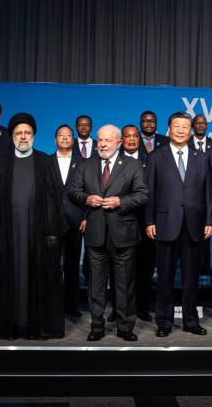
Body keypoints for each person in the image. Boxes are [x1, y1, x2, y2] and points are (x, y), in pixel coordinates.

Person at [0, 112, 67, 339]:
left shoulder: (45, 161)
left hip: (37, 234)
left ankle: (36, 326)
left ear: (34, 135)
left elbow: (54, 199)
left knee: (39, 277)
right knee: (5, 276)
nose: (23, 137)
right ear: (12, 136)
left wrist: (52, 231)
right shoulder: (2, 161)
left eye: (27, 133)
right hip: (7, 232)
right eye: (19, 133)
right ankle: (9, 324)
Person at [69, 124, 149, 341]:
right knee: (96, 286)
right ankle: (97, 327)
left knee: (124, 286)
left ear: (119, 142)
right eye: (99, 140)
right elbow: (72, 191)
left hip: (123, 235)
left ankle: (125, 328)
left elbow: (143, 194)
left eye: (107, 140)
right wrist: (86, 199)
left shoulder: (132, 165)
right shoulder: (86, 165)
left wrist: (120, 202)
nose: (102, 144)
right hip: (95, 235)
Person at [145, 112, 212, 338]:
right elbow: (149, 192)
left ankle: (191, 321)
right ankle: (164, 322)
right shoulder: (156, 156)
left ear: (191, 130)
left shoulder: (201, 157)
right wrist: (149, 220)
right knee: (164, 277)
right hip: (165, 224)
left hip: (194, 225)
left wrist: (210, 221)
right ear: (169, 128)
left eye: (186, 126)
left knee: (191, 278)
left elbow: (209, 192)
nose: (181, 130)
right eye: (177, 126)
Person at [50, 124, 85, 318]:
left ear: (73, 140)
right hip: (52, 223)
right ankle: (52, 305)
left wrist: (86, 217)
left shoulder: (83, 162)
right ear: (55, 140)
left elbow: (90, 191)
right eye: (61, 135)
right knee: (52, 266)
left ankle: (71, 306)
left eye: (68, 136)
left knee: (72, 267)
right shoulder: (46, 161)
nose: (64, 138)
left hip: (75, 221)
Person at [120, 124, 153, 321]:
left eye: (135, 137)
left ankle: (142, 309)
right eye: (128, 136)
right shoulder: (114, 160)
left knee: (145, 267)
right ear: (121, 140)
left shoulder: (150, 160)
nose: (132, 140)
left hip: (145, 221)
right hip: (120, 221)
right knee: (121, 269)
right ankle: (120, 309)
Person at [189, 114, 212, 287]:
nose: (201, 125)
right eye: (198, 123)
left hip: (208, 198)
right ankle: (191, 275)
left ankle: (205, 272)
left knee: (206, 238)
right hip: (190, 197)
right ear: (193, 125)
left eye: (204, 123)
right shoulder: (186, 144)